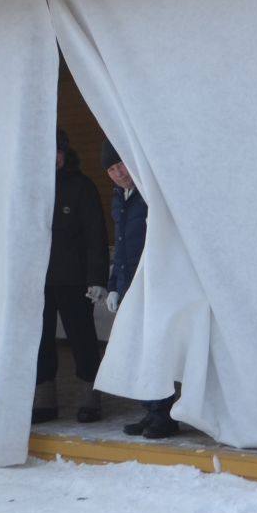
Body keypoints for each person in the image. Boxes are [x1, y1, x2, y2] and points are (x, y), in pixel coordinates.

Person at [100, 139, 178, 439]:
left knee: (158, 349)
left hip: (154, 284)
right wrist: (113, 287)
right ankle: (151, 410)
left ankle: (165, 415)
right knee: (139, 351)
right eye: (111, 169)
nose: (118, 173)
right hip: (129, 285)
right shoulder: (120, 196)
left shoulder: (148, 194)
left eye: (120, 164)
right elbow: (121, 247)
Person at [34, 129, 108, 424]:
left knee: (83, 339)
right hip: (39, 280)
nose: (52, 158)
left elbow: (96, 237)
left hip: (76, 280)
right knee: (41, 341)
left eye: (56, 152)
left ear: (65, 153)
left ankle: (91, 396)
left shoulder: (82, 187)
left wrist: (98, 278)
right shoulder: (31, 188)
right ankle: (44, 400)